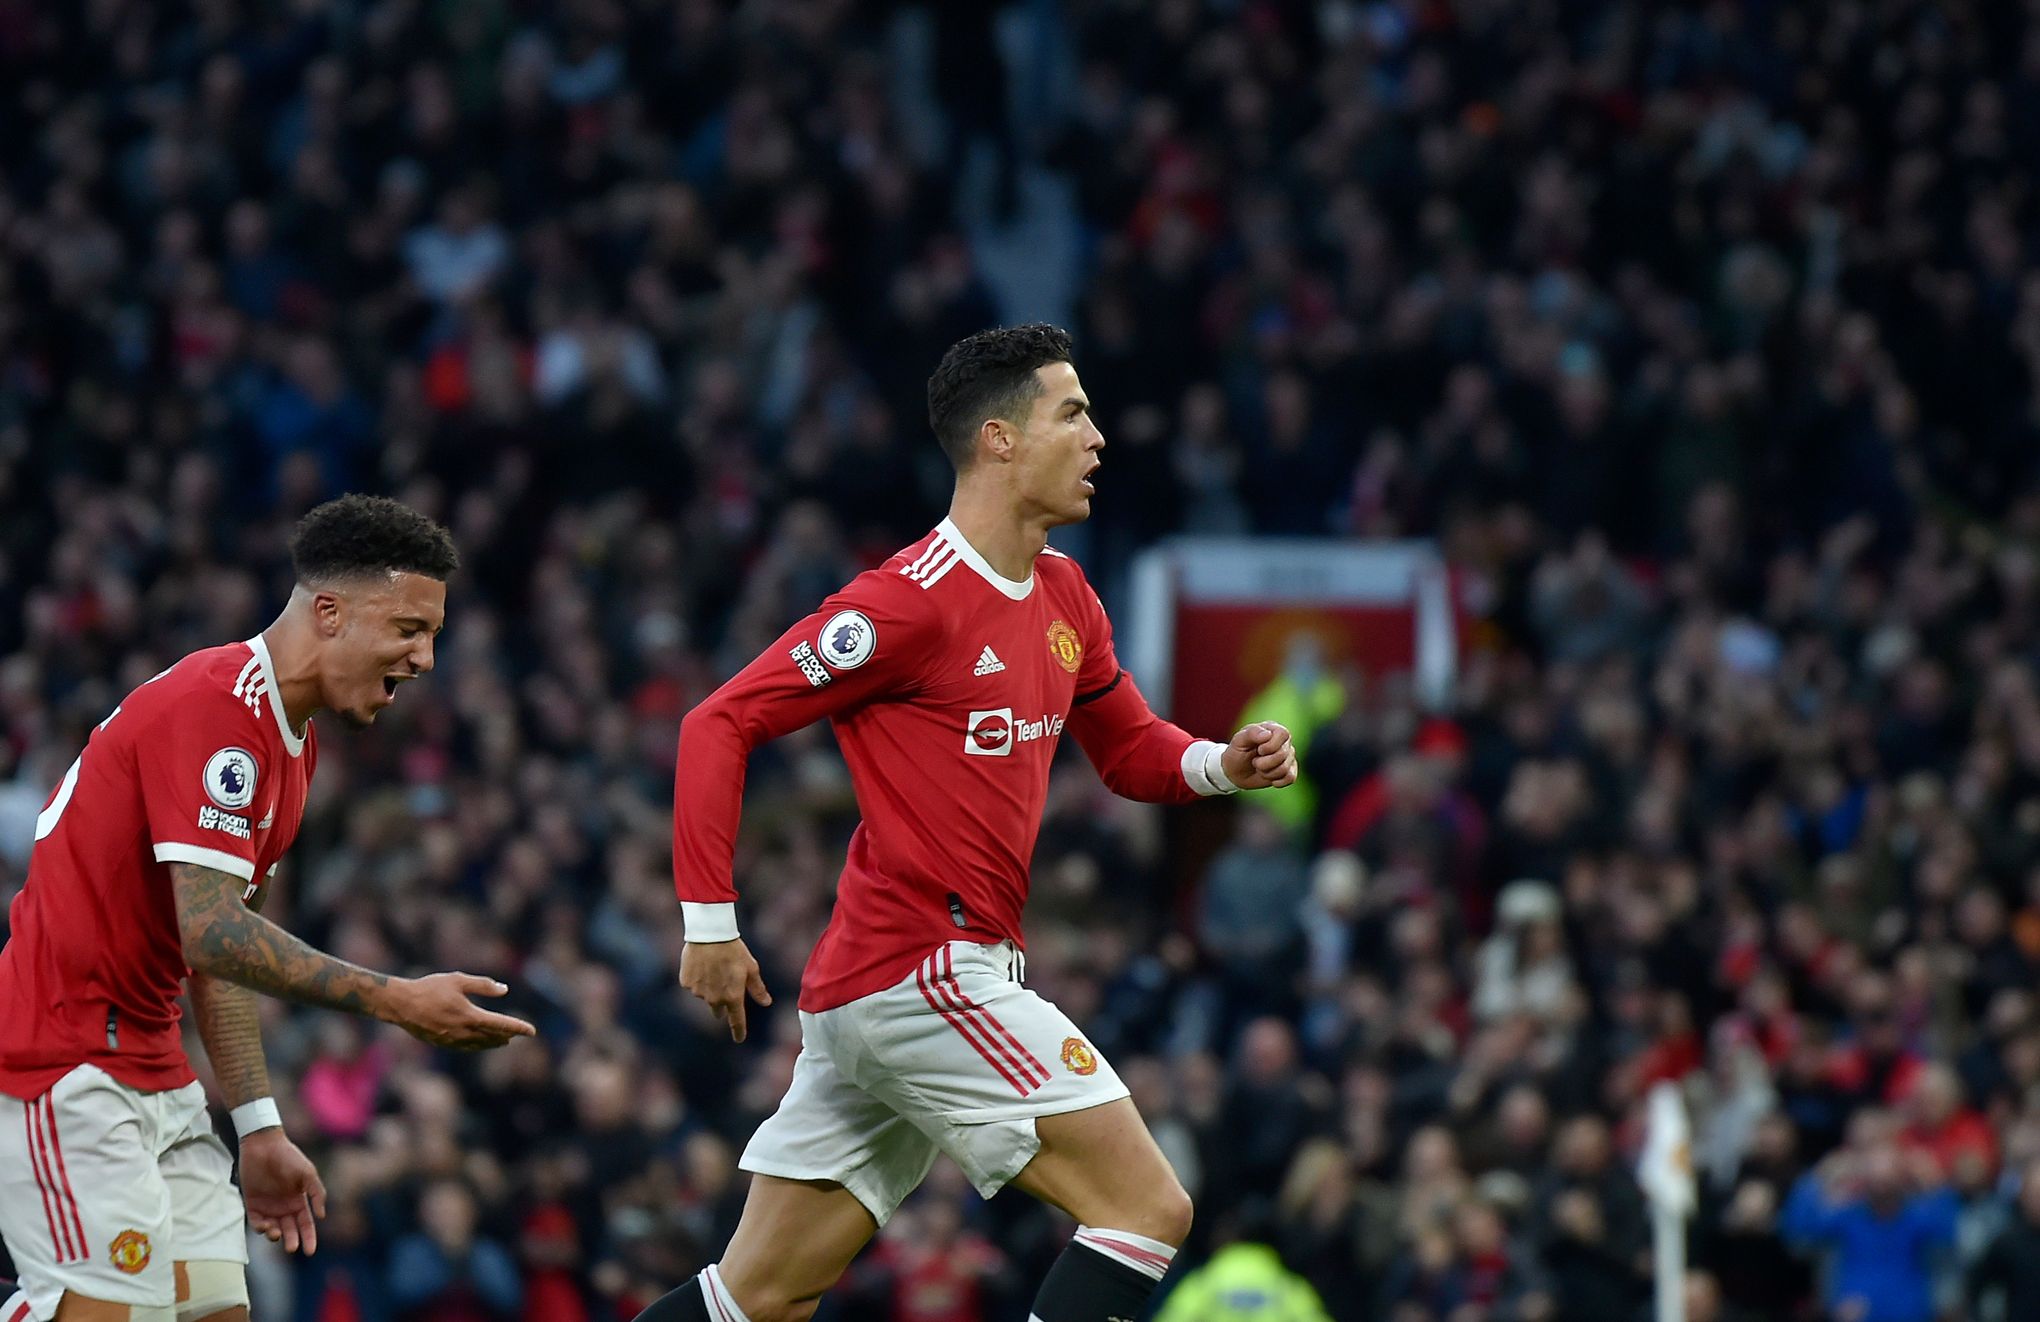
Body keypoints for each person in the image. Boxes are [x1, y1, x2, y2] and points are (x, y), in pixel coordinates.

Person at [645, 324, 1299, 1322]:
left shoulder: (1064, 590)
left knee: (757, 1300)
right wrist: (709, 924)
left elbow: (1129, 751)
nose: (1098, 438)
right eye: (1072, 413)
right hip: (921, 968)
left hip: (886, 985)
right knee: (1144, 1205)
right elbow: (717, 720)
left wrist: (1222, 763)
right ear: (998, 439)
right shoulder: (906, 606)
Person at [0, 495, 537, 1322]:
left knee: (218, 1311)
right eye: (408, 629)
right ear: (329, 612)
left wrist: (257, 1126)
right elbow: (211, 930)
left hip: (154, 1067)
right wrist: (394, 998)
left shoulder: (292, 743)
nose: (426, 657)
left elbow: (218, 955)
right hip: (64, 1060)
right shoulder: (218, 709)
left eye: (431, 634)